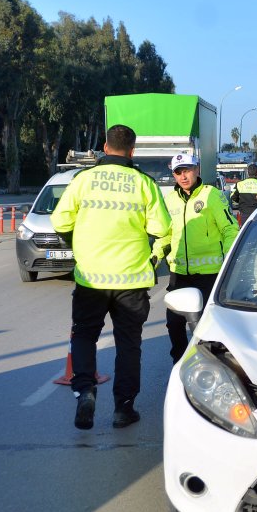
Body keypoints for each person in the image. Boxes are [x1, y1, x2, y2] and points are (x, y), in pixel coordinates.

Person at [52, 124, 171, 430]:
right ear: (132, 151)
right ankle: (124, 408)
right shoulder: (144, 183)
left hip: (91, 278)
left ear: (104, 147)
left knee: (84, 335)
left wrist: (78, 247)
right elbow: (162, 229)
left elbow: (60, 221)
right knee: (128, 345)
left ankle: (85, 391)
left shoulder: (83, 180)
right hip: (131, 281)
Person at [153, 153, 239, 363]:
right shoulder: (170, 200)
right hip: (179, 275)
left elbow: (229, 229)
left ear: (197, 170)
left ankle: (211, 364)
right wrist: (154, 256)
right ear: (173, 175)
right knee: (174, 324)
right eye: (178, 172)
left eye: (188, 170)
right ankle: (180, 364)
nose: (184, 176)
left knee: (206, 325)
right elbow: (165, 234)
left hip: (209, 275)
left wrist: (228, 258)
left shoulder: (212, 195)